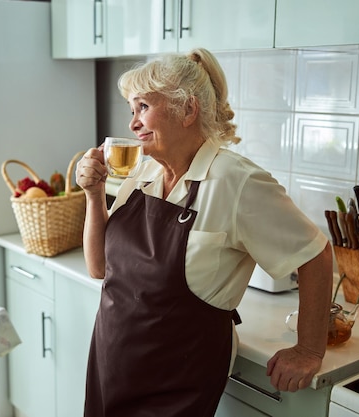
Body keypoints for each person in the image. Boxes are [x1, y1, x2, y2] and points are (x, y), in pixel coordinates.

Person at [76, 47, 333, 417]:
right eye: (132, 110)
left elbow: (315, 253)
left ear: (188, 110)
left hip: (176, 383)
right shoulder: (142, 173)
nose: (133, 123)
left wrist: (309, 350)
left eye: (144, 107)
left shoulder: (237, 181)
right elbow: (99, 267)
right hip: (111, 361)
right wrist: (93, 193)